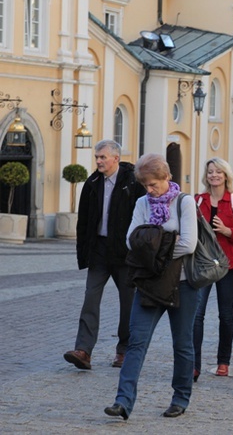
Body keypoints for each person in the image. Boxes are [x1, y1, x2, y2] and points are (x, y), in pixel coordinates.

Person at [104, 153, 198, 420]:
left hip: (183, 284)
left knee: (182, 344)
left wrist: (153, 246)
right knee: (136, 342)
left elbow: (188, 244)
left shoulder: (185, 202)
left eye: (153, 184)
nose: (150, 189)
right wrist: (166, 242)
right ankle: (122, 401)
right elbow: (131, 241)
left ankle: (180, 397)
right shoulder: (142, 203)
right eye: (145, 184)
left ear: (167, 177)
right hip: (149, 283)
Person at [64, 140, 145, 370]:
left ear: (116, 158)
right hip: (99, 251)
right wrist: (84, 254)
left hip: (125, 253)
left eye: (102, 157)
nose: (98, 161)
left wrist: (138, 250)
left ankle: (124, 350)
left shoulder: (132, 182)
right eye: (97, 157)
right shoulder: (92, 183)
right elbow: (84, 221)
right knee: (90, 298)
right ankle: (83, 350)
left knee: (128, 303)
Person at [193, 158, 233, 381]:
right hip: (203, 265)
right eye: (210, 172)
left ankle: (223, 362)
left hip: (229, 265)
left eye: (218, 172)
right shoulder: (198, 201)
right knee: (196, 316)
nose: (214, 175)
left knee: (226, 316)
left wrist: (227, 231)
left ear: (226, 175)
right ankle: (194, 364)